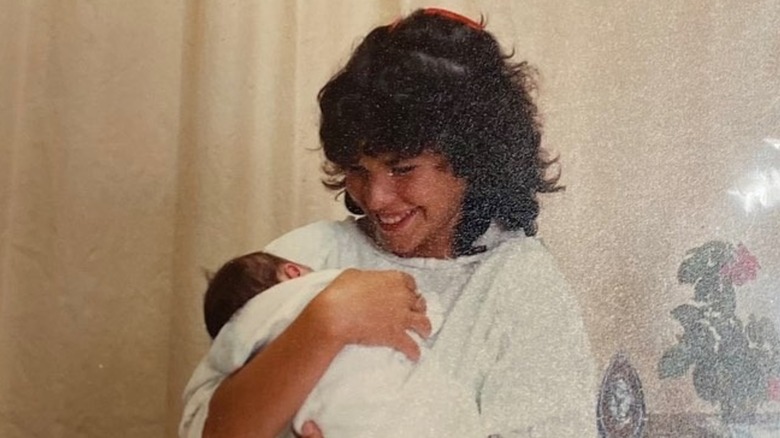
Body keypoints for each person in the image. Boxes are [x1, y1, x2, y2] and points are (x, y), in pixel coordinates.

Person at [183, 7, 598, 438]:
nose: (376, 198)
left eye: (402, 169)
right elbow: (204, 428)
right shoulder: (306, 258)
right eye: (358, 170)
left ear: (473, 160)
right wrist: (330, 318)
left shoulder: (521, 284)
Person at [182, 250, 480, 437]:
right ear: (293, 271)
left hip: (334, 420)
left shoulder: (240, 342)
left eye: (402, 172)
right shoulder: (334, 281)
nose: (378, 196)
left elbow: (202, 414)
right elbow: (420, 314)